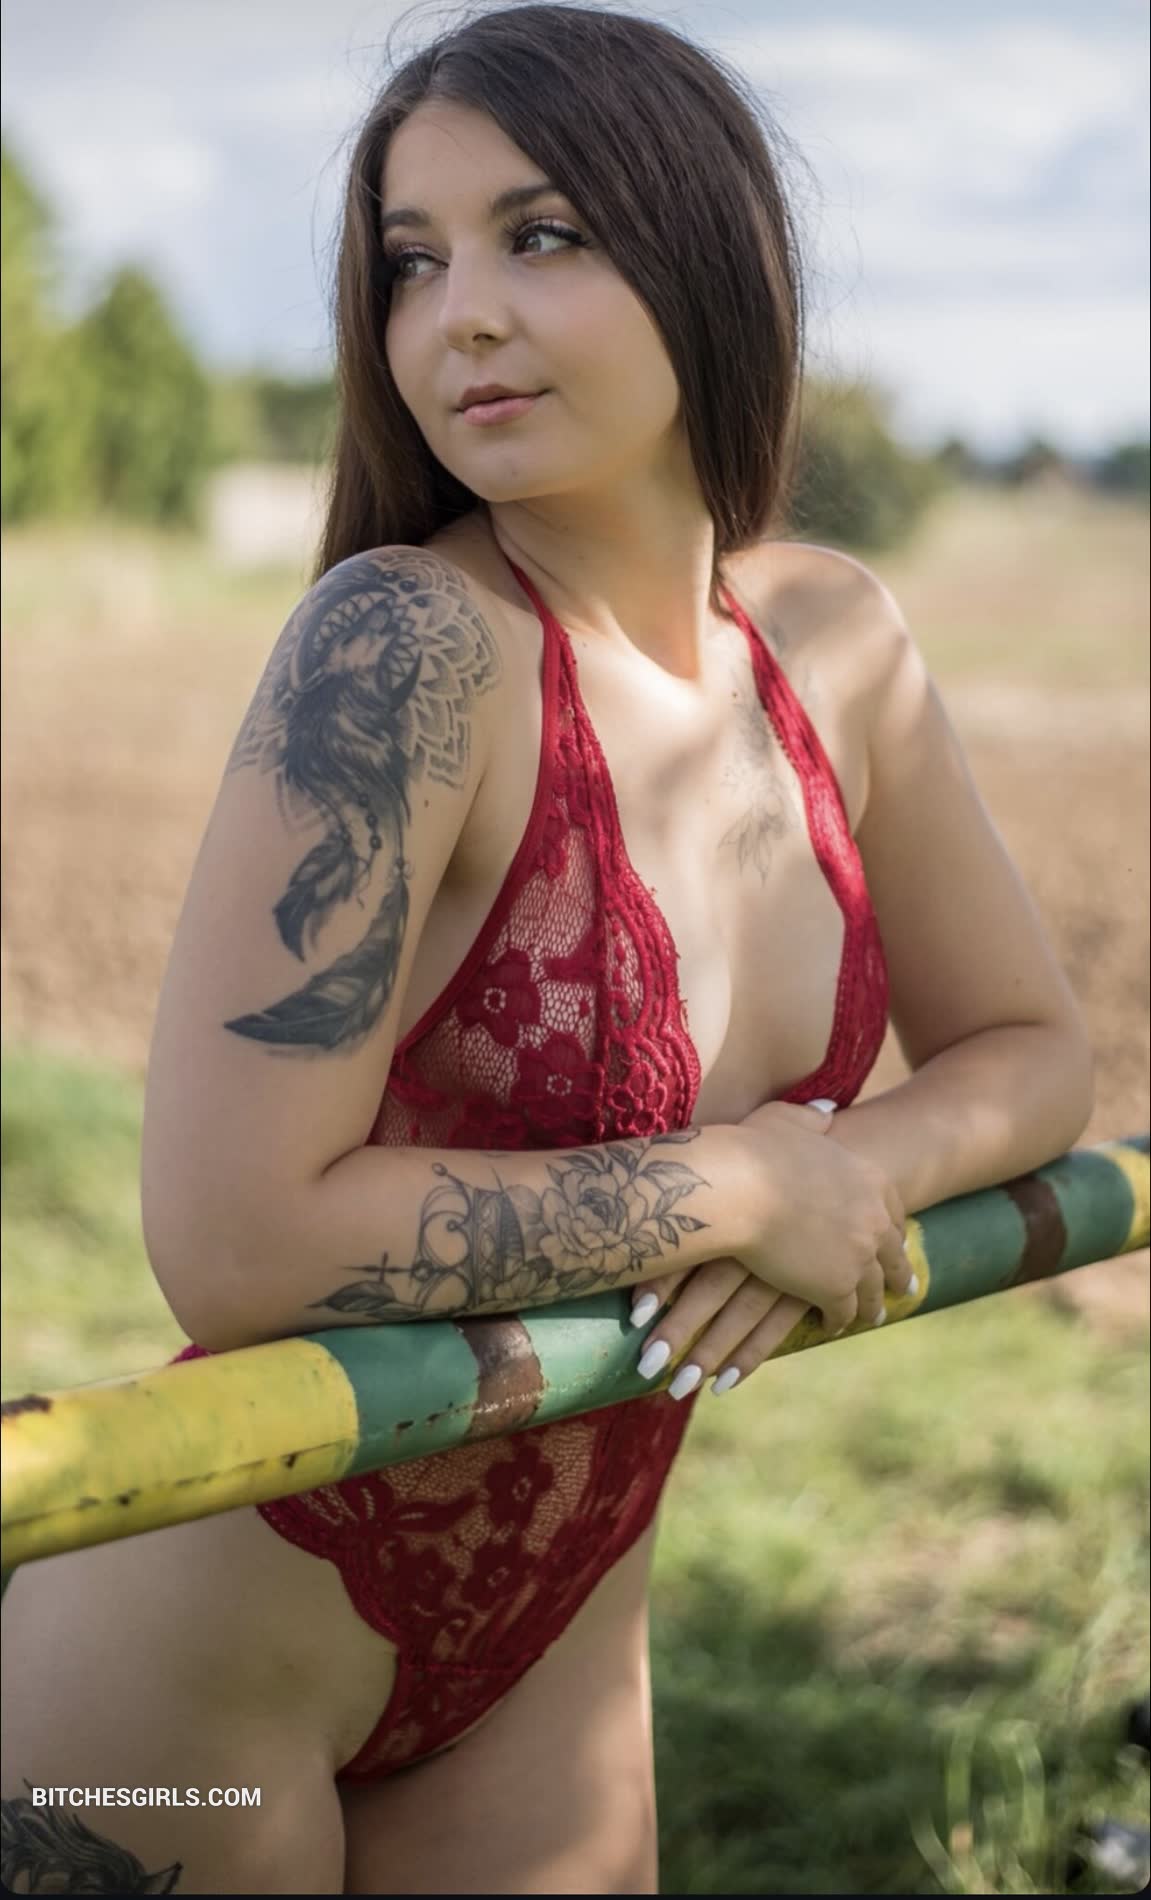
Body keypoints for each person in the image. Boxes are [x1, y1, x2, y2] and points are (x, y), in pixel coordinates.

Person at [0, 4, 1094, 1893]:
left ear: (706, 249)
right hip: (195, 1674)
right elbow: (237, 1239)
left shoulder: (833, 642)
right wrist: (737, 1184)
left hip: (561, 1644)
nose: (462, 318)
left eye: (543, 234)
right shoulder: (405, 648)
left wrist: (844, 1180)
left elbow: (1030, 1050)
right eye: (410, 263)